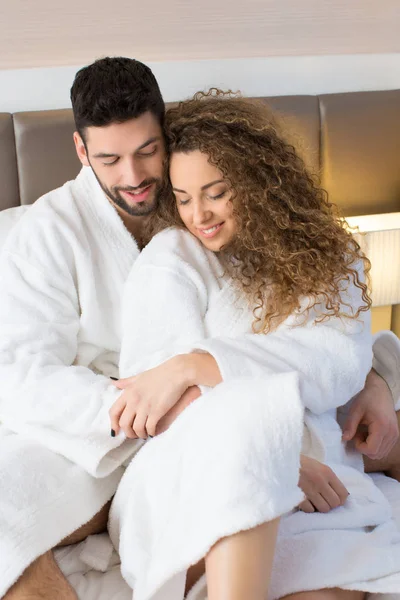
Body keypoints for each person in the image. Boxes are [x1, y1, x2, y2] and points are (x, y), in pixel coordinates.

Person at [0, 56, 398, 599]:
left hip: (217, 417)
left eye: (146, 152)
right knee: (7, 524)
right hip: (96, 429)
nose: (133, 176)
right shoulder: (48, 234)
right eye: (109, 159)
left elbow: (327, 339)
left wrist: (374, 377)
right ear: (81, 150)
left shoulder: (188, 197)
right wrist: (176, 411)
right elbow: (23, 376)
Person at [108, 91, 400, 600]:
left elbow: (339, 363)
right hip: (194, 469)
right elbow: (152, 401)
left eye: (216, 192)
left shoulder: (330, 256)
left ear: (259, 181)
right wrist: (278, 457)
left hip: (321, 478)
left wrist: (199, 364)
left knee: (328, 586)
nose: (199, 214)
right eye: (182, 197)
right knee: (250, 450)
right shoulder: (171, 258)